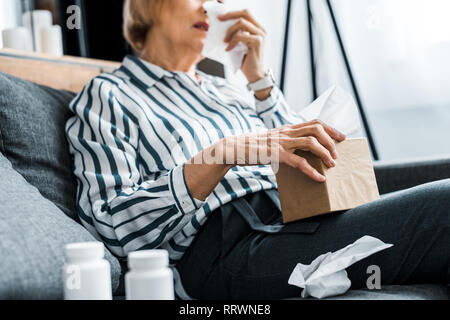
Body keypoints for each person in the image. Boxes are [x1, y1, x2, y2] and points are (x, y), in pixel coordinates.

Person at [66, 0, 449, 299]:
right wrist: (222, 154)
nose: (209, 7)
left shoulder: (227, 86)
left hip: (300, 216)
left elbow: (303, 150)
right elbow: (110, 225)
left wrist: (258, 80)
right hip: (228, 247)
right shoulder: (109, 94)